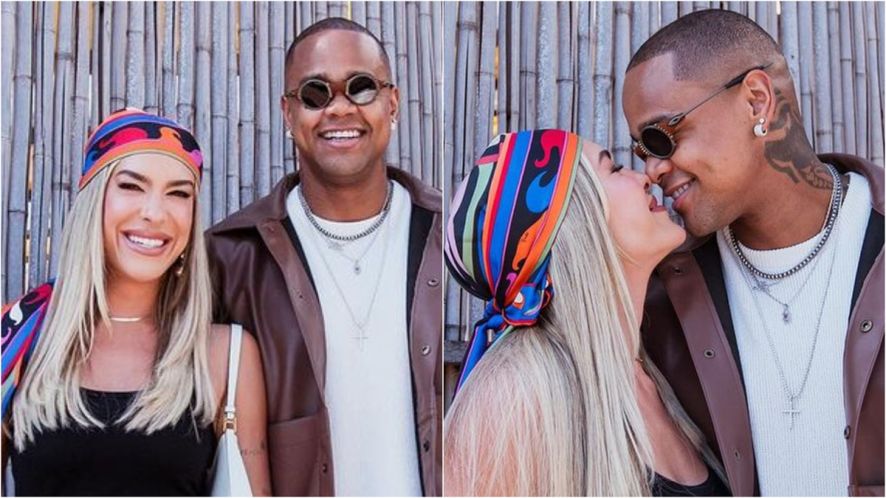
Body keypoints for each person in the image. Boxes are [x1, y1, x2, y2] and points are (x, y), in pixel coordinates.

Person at [622, 9, 884, 497]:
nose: (653, 170)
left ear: (756, 101)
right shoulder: (663, 309)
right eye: (643, 151)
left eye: (661, 137)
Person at [205, 18, 442, 496]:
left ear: (392, 103)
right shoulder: (232, 257)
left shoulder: (454, 237)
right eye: (315, 93)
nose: (339, 107)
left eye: (361, 87)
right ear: (288, 113)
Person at [444, 129, 729, 496]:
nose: (644, 177)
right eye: (615, 169)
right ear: (571, 220)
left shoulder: (659, 371)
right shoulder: (515, 399)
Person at [1, 108, 271, 495]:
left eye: (179, 193)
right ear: (95, 201)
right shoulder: (17, 338)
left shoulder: (226, 356)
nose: (154, 213)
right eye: (131, 186)